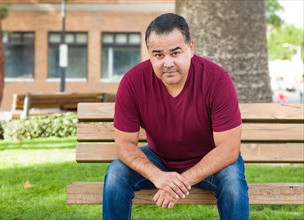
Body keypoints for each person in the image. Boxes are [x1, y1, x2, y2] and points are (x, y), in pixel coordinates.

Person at [103, 13, 249, 220]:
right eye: (158, 55)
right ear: (149, 54)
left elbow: (228, 148)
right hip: (159, 159)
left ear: (191, 48)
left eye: (175, 52)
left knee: (233, 179)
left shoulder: (217, 80)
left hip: (209, 159)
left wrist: (180, 182)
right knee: (116, 173)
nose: (167, 62)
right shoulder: (132, 82)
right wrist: (158, 176)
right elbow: (125, 145)